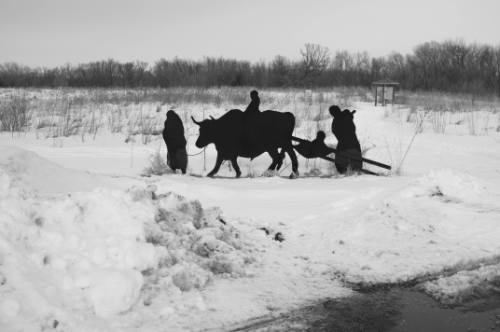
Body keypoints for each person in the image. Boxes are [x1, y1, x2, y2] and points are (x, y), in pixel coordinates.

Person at [329, 105, 362, 174]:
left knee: (340, 168)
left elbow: (337, 133)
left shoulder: (335, 122)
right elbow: (350, 123)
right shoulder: (347, 117)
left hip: (343, 146)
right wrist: (347, 114)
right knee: (357, 168)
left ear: (332, 113)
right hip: (354, 144)